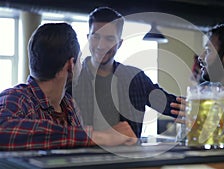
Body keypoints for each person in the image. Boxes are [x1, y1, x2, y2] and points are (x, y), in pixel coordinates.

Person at [0, 23, 137, 150]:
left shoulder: (70, 106)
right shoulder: (16, 98)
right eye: (80, 59)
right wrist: (98, 136)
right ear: (71, 65)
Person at [72, 7, 180, 138]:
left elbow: (169, 104)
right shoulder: (72, 79)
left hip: (129, 157)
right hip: (84, 157)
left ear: (120, 43)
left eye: (109, 39)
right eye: (96, 37)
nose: (101, 45)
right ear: (88, 38)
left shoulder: (136, 79)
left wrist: (197, 105)